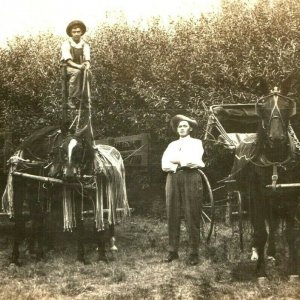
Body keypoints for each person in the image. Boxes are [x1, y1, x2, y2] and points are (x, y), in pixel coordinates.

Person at [161, 114, 205, 266]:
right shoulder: (172, 145)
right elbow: (164, 163)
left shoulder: (196, 143)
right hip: (172, 178)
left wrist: (178, 159)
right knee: (172, 213)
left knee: (192, 213)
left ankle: (194, 253)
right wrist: (179, 162)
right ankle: (173, 251)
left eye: (185, 126)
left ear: (190, 128)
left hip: (191, 177)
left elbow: (194, 160)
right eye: (179, 126)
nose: (182, 128)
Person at [61, 20, 91, 109]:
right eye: (74, 32)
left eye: (78, 32)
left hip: (80, 66)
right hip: (68, 67)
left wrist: (87, 65)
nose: (76, 34)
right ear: (71, 33)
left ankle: (85, 99)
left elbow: (87, 59)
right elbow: (68, 61)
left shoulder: (85, 44)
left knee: (88, 74)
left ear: (81, 32)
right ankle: (72, 99)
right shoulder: (66, 44)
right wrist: (79, 66)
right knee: (77, 72)